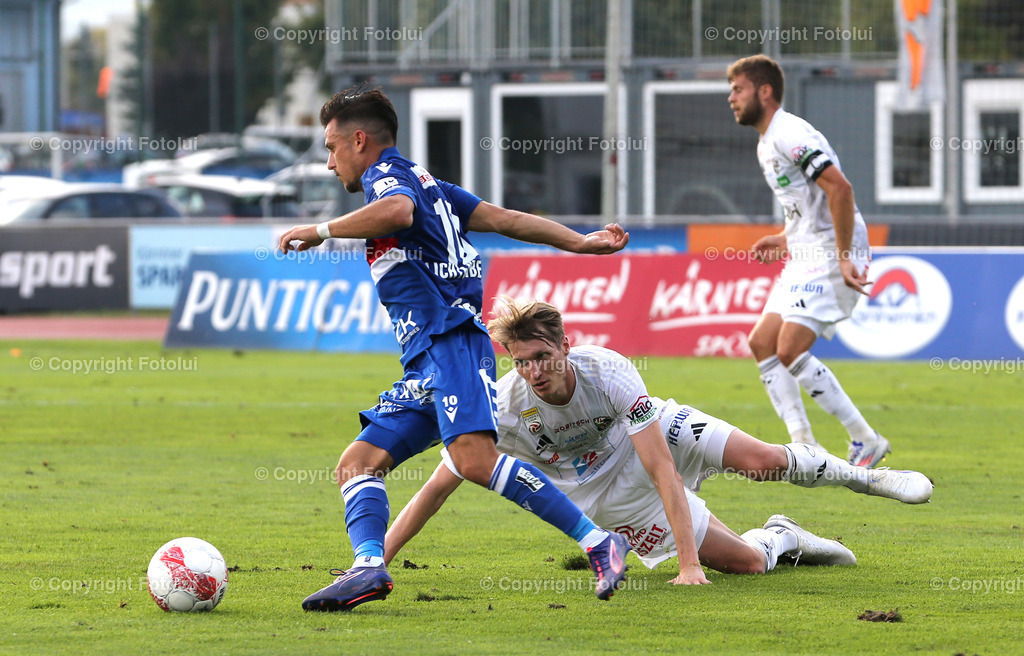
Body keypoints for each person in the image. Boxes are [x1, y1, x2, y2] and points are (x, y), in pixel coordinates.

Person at [278, 87, 633, 611]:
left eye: (333, 148)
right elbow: (507, 219)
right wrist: (578, 241)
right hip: (427, 356)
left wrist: (321, 230)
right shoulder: (434, 186)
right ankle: (368, 569)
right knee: (358, 463)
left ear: (360, 140)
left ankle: (598, 541)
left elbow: (396, 212)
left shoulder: (389, 181)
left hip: (451, 342)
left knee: (473, 460)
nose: (331, 163)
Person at [384, 300, 932, 580]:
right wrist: (373, 561)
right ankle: (782, 536)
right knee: (748, 565)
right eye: (522, 363)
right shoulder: (503, 410)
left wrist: (688, 566)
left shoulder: (611, 373)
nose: (534, 372)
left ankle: (869, 476)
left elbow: (661, 466)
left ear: (566, 346)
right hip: (605, 495)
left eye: (543, 358)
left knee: (763, 459)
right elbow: (435, 489)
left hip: (648, 437)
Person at [727, 54, 889, 467]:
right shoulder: (767, 142)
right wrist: (785, 237)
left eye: (738, 89)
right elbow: (808, 203)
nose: (732, 98)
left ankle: (865, 438)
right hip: (806, 249)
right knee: (762, 342)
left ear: (765, 91)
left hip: (831, 249)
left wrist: (845, 255)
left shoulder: (790, 133)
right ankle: (803, 442)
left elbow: (840, 189)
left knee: (790, 347)